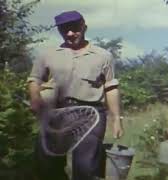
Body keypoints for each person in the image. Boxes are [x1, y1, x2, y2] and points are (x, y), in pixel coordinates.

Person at [27, 10, 123, 180]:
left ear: (84, 26)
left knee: (86, 166)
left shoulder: (103, 56)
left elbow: (110, 88)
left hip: (90, 114)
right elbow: (34, 79)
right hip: (55, 114)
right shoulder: (47, 54)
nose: (70, 34)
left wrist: (116, 119)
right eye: (64, 30)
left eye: (74, 28)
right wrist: (35, 99)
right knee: (48, 165)